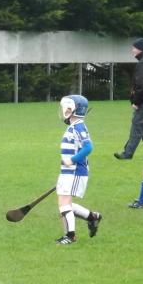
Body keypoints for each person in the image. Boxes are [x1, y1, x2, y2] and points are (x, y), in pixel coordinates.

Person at [55, 94, 102, 244]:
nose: (64, 110)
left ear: (73, 109)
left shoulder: (79, 127)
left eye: (66, 107)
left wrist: (72, 160)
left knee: (64, 203)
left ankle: (70, 236)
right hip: (68, 171)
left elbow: (89, 147)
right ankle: (92, 217)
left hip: (75, 171)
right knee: (63, 203)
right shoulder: (74, 126)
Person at [115, 37, 143, 160]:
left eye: (134, 48)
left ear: (140, 49)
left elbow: (141, 86)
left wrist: (136, 101)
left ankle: (127, 154)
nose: (132, 50)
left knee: (136, 125)